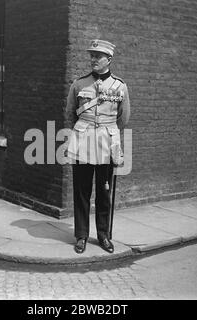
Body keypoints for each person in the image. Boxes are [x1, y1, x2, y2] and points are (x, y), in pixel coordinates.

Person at [65, 39, 130, 254]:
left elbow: (123, 118)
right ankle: (81, 235)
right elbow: (70, 113)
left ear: (109, 59)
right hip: (82, 142)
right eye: (91, 55)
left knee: (104, 192)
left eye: (98, 56)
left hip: (106, 143)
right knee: (82, 191)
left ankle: (103, 235)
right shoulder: (79, 84)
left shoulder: (119, 86)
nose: (93, 59)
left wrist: (105, 131)